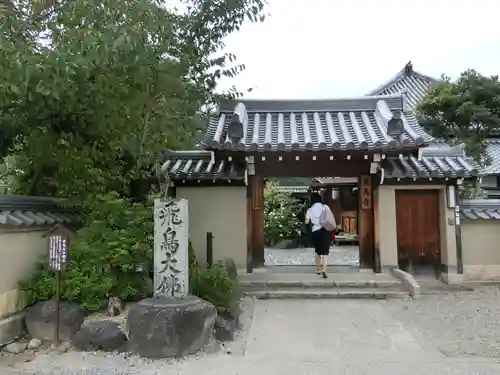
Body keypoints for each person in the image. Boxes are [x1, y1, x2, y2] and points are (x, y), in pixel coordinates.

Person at [304, 192, 334, 279]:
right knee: (325, 252)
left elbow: (306, 221)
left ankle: (318, 269)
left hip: (316, 231)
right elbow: (331, 217)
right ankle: (324, 270)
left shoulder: (310, 210)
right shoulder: (325, 207)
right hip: (326, 230)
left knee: (317, 251)